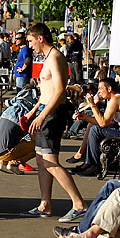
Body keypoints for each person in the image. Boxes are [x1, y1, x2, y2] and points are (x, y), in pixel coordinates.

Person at [19, 22, 86, 222]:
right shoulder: (47, 58)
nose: (29, 46)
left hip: (53, 114)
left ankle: (79, 204)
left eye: (30, 41)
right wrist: (33, 112)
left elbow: (59, 91)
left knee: (50, 162)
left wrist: (41, 115)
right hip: (44, 111)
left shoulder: (56, 57)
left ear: (40, 38)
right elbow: (45, 92)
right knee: (41, 160)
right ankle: (45, 204)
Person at [72, 77, 120, 176]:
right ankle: (89, 163)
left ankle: (93, 165)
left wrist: (92, 105)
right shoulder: (114, 99)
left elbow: (102, 123)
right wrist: (85, 117)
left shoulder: (116, 99)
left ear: (109, 89)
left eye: (101, 89)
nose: (98, 92)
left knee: (95, 130)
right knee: (94, 128)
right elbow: (104, 121)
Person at [0, 86, 38, 174]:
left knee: (13, 138)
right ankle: (14, 164)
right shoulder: (25, 113)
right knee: (39, 146)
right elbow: (32, 137)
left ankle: (2, 163)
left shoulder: (10, 109)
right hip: (6, 152)